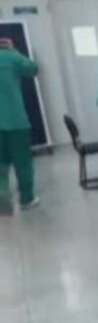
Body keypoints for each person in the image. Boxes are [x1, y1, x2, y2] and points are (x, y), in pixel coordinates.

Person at [0, 37, 39, 214]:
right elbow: (33, 69)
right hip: (16, 120)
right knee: (23, 163)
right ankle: (27, 199)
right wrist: (14, 51)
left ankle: (2, 200)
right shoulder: (13, 57)